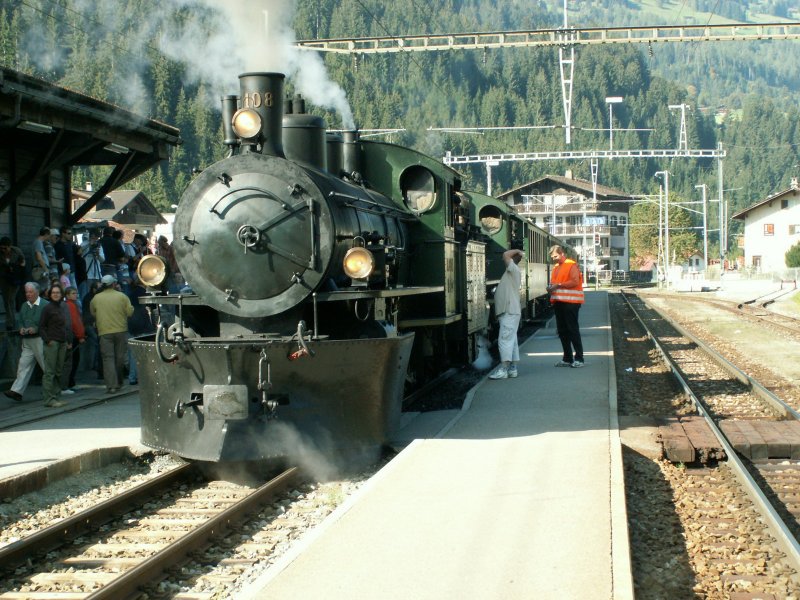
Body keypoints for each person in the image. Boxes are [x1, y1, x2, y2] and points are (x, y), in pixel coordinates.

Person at [4, 282, 48, 402]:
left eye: (30, 292)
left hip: (39, 339)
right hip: (27, 340)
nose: (28, 294)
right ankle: (17, 391)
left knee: (46, 365)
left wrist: (36, 329)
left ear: (37, 292)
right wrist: (21, 328)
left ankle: (53, 389)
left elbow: (48, 323)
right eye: (26, 292)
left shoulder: (45, 305)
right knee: (23, 365)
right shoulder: (24, 305)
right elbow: (22, 320)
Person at [91, 274, 133, 393]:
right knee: (119, 358)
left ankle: (111, 385)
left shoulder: (96, 298)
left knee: (107, 359)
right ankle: (119, 382)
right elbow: (129, 312)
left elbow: (93, 313)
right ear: (114, 284)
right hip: (121, 330)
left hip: (104, 331)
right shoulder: (122, 296)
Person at [488, 248, 525, 380]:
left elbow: (505, 255)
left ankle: (503, 369)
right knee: (512, 341)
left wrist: (518, 251)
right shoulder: (512, 271)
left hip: (509, 311)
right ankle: (513, 369)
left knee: (504, 340)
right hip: (510, 311)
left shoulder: (513, 269)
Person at [547, 244, 585, 368]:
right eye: (552, 257)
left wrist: (558, 285)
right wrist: (550, 287)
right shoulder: (556, 267)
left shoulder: (571, 264)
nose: (554, 259)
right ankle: (567, 358)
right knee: (562, 331)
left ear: (562, 253)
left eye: (555, 256)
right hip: (559, 302)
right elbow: (555, 282)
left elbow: (575, 281)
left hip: (571, 303)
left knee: (572, 329)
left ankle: (579, 358)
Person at [39, 282, 71, 408]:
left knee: (58, 371)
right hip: (52, 342)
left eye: (58, 292)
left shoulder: (61, 307)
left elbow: (65, 326)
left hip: (62, 342)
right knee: (50, 372)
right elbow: (41, 327)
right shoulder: (47, 308)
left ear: (61, 294)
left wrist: (68, 340)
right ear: (50, 295)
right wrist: (48, 341)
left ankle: (56, 397)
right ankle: (49, 399)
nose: (56, 294)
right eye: (53, 293)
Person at [0, 237, 26, 331]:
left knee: (11, 299)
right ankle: (11, 321)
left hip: (15, 278)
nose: (3, 250)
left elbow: (23, 261)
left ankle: (11, 322)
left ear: (9, 246)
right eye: (2, 248)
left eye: (5, 248)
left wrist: (17, 268)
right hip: (4, 279)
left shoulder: (16, 251)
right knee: (7, 300)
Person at [63, 287, 86, 392]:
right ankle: (68, 383)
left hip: (73, 335)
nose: (75, 295)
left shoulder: (72, 304)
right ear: (67, 295)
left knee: (73, 360)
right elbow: (75, 322)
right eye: (73, 293)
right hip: (73, 336)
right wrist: (80, 336)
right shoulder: (70, 305)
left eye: (76, 293)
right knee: (72, 361)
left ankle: (70, 382)